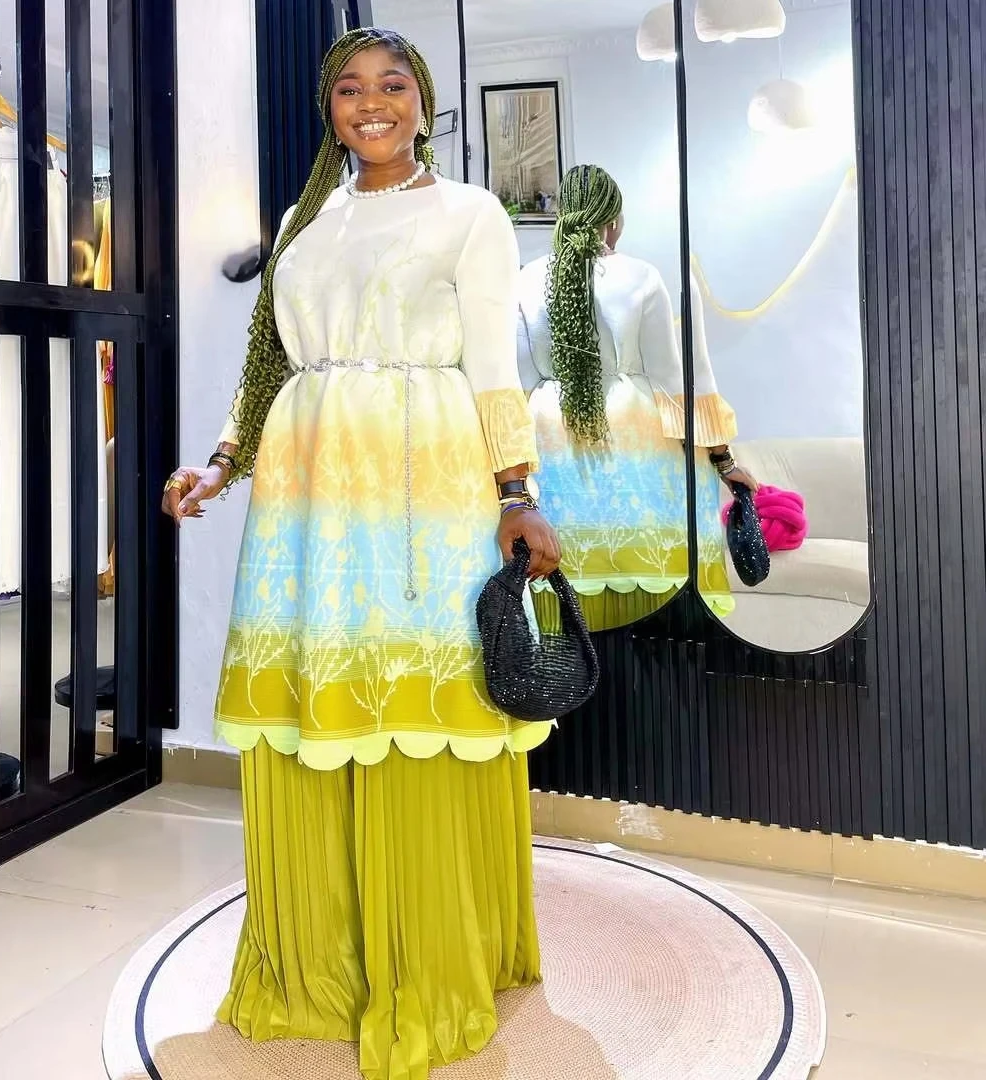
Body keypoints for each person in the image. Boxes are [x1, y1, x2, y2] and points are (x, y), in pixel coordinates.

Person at [162, 27, 560, 1080]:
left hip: (422, 479)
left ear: (422, 102)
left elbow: (493, 365)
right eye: (348, 88)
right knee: (318, 703)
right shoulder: (307, 220)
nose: (370, 103)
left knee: (414, 711)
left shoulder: (470, 212)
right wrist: (219, 463)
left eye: (391, 85)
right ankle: (319, 966)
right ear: (329, 109)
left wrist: (517, 494)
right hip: (306, 489)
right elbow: (267, 364)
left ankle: (429, 964)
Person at [516, 164, 755, 633]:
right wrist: (724, 462)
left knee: (563, 609)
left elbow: (518, 383)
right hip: (640, 446)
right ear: (614, 222)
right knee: (653, 617)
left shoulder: (525, 279)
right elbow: (676, 381)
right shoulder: (641, 276)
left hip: (552, 447)